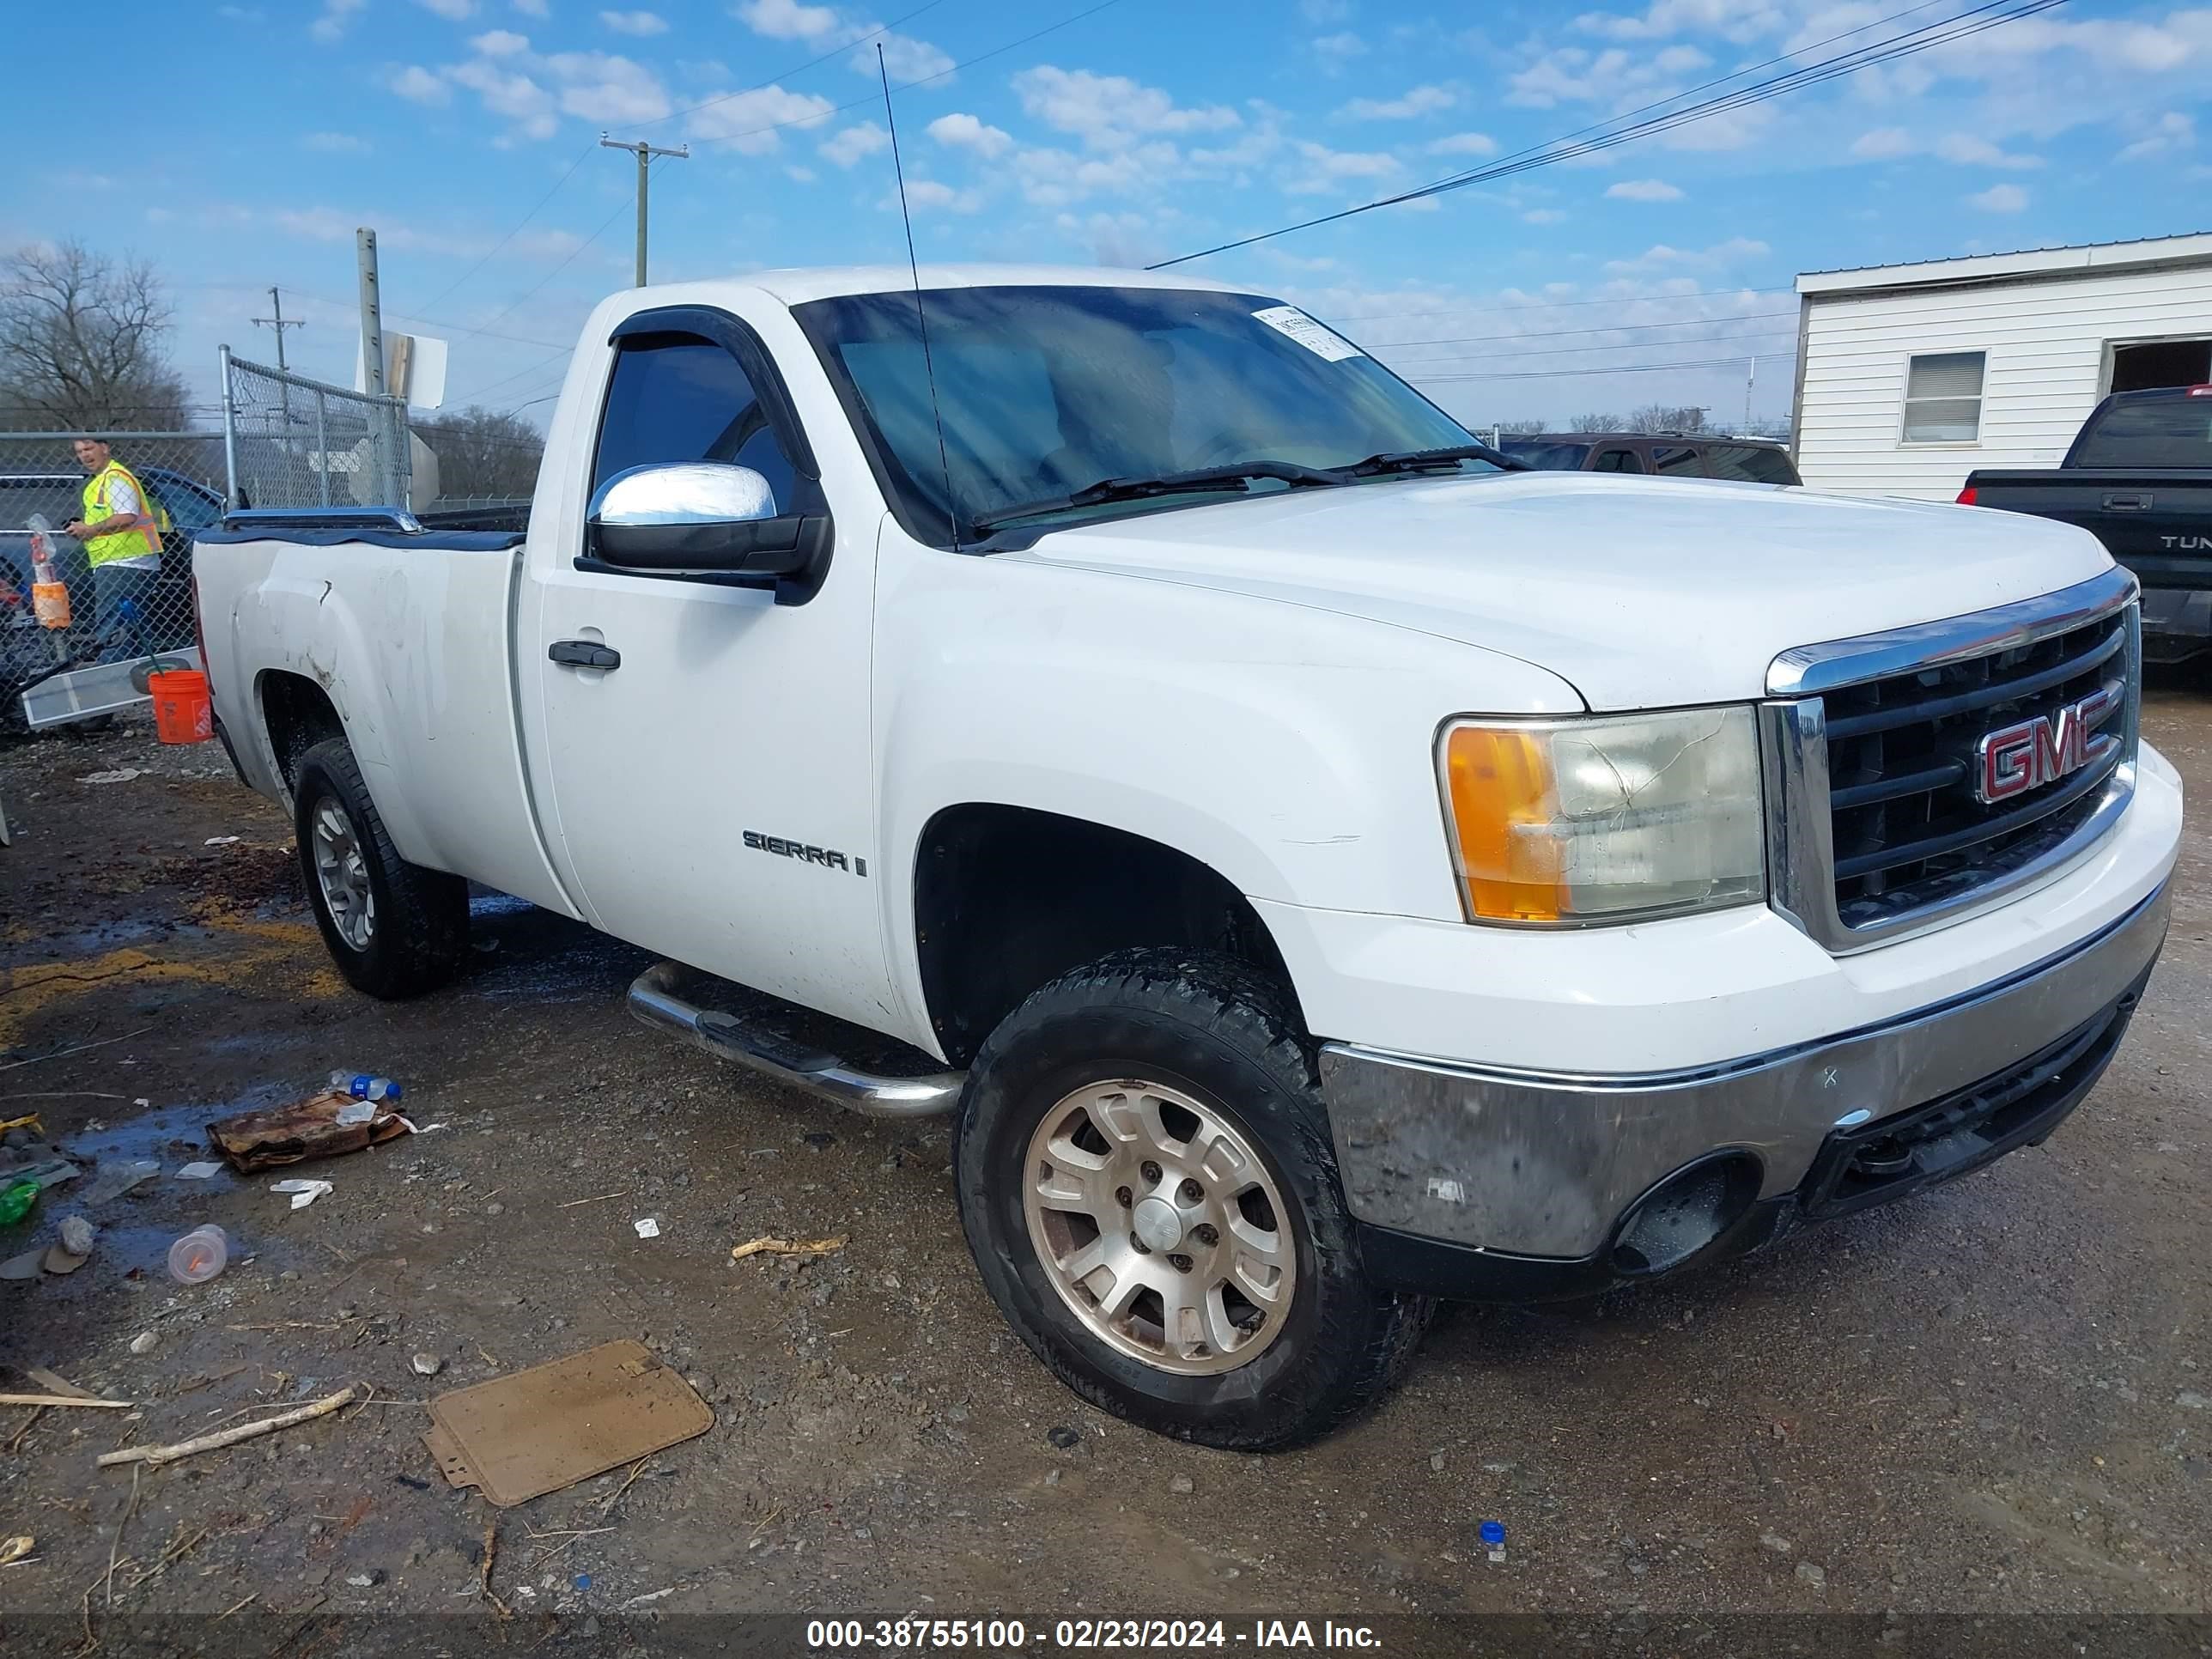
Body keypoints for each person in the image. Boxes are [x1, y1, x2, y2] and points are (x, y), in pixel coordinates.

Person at [62, 436, 169, 659]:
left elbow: (127, 516)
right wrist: (84, 531)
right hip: (123, 562)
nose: (85, 455)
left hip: (124, 564)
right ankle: (141, 676)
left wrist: (90, 530)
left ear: (105, 448)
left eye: (89, 448)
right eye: (80, 451)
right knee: (133, 631)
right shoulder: (100, 481)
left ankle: (111, 679)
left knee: (113, 632)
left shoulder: (116, 478)